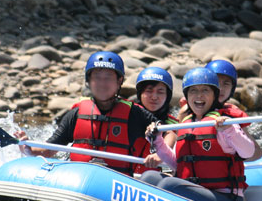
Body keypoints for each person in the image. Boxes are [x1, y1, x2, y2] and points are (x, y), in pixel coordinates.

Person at [13, 51, 157, 176]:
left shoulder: (134, 114)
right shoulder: (76, 114)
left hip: (117, 184)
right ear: (89, 81)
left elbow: (165, 131)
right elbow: (49, 150)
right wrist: (28, 147)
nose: (102, 83)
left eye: (108, 77)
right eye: (97, 77)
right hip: (78, 178)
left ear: (119, 81)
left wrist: (158, 154)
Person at [141, 67, 256, 201]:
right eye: (193, 91)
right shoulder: (186, 124)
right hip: (196, 190)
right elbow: (177, 164)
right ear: (187, 96)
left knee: (169, 186)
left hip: (226, 199)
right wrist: (157, 140)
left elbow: (248, 152)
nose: (199, 96)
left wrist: (230, 130)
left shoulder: (223, 124)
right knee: (148, 177)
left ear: (214, 95)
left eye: (205, 91)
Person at [205, 59, 262, 162]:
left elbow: (257, 153)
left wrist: (234, 156)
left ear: (232, 89)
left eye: (226, 84)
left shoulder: (233, 115)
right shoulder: (189, 111)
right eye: (216, 83)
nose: (221, 89)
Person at [130, 67, 178, 174]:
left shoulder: (173, 124)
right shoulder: (128, 114)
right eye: (149, 90)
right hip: (126, 174)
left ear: (167, 96)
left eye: (160, 92)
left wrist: (160, 155)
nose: (154, 97)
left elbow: (170, 135)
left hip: (155, 180)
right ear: (140, 93)